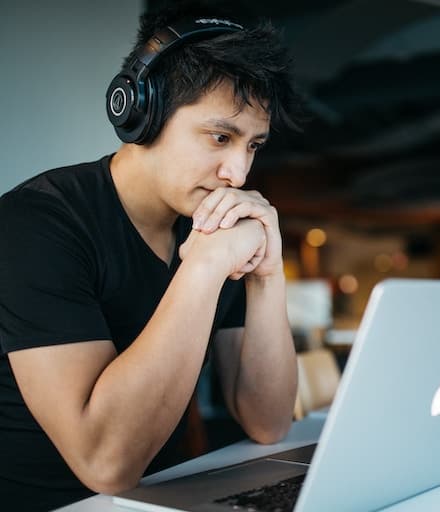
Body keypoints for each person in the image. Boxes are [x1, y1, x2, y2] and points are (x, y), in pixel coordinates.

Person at [0, 3, 302, 510]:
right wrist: (203, 266)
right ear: (142, 113)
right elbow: (105, 465)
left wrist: (267, 277)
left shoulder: (209, 223)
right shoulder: (36, 225)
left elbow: (268, 422)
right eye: (221, 137)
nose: (238, 172)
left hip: (166, 499)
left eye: (253, 146)